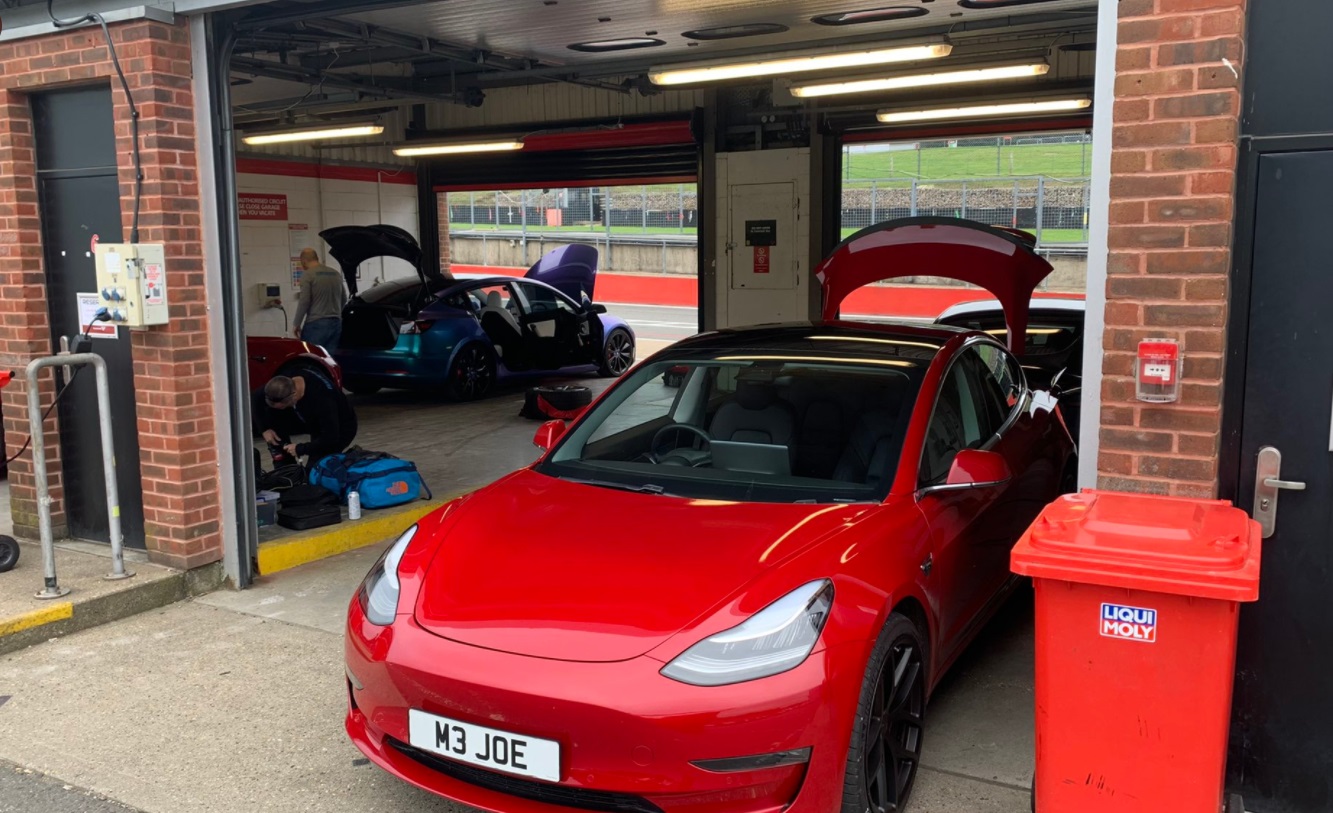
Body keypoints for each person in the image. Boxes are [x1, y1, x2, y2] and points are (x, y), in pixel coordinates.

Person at [258, 372, 358, 465]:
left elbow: (330, 437)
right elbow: (255, 399)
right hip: (310, 418)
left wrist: (300, 449)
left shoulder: (323, 400)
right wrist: (265, 429)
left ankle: (350, 461)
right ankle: (286, 469)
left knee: (315, 470)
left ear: (294, 396)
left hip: (340, 428)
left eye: (283, 407)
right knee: (271, 416)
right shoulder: (283, 383)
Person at [293, 247, 348, 351]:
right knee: (329, 360)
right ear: (317, 258)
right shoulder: (336, 273)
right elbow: (344, 298)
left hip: (316, 324)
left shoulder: (308, 275)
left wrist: (297, 323)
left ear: (304, 261)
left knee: (311, 358)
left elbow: (304, 301)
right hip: (336, 323)